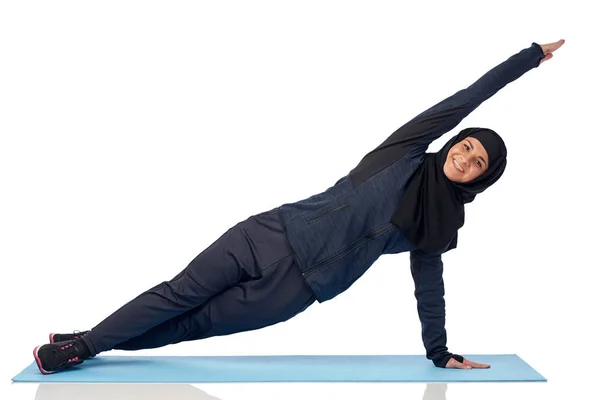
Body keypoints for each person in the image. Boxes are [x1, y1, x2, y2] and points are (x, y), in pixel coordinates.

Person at [33, 38, 565, 375]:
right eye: (466, 145)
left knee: (187, 326)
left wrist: (439, 350)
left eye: (478, 163)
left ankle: (87, 339)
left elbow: (429, 284)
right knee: (178, 294)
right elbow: (465, 98)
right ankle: (82, 345)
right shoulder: (403, 150)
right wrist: (527, 59)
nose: (465, 157)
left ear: (483, 179)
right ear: (453, 142)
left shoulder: (442, 224)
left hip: (294, 289)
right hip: (268, 234)